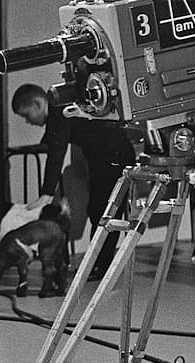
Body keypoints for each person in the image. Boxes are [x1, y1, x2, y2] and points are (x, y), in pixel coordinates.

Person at [11, 84, 137, 280]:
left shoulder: (58, 112)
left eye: (27, 115)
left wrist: (46, 194)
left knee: (103, 212)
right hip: (109, 157)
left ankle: (101, 267)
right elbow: (53, 144)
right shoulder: (60, 107)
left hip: (112, 158)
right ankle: (99, 265)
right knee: (100, 211)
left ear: (37, 103)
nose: (28, 121)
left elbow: (56, 154)